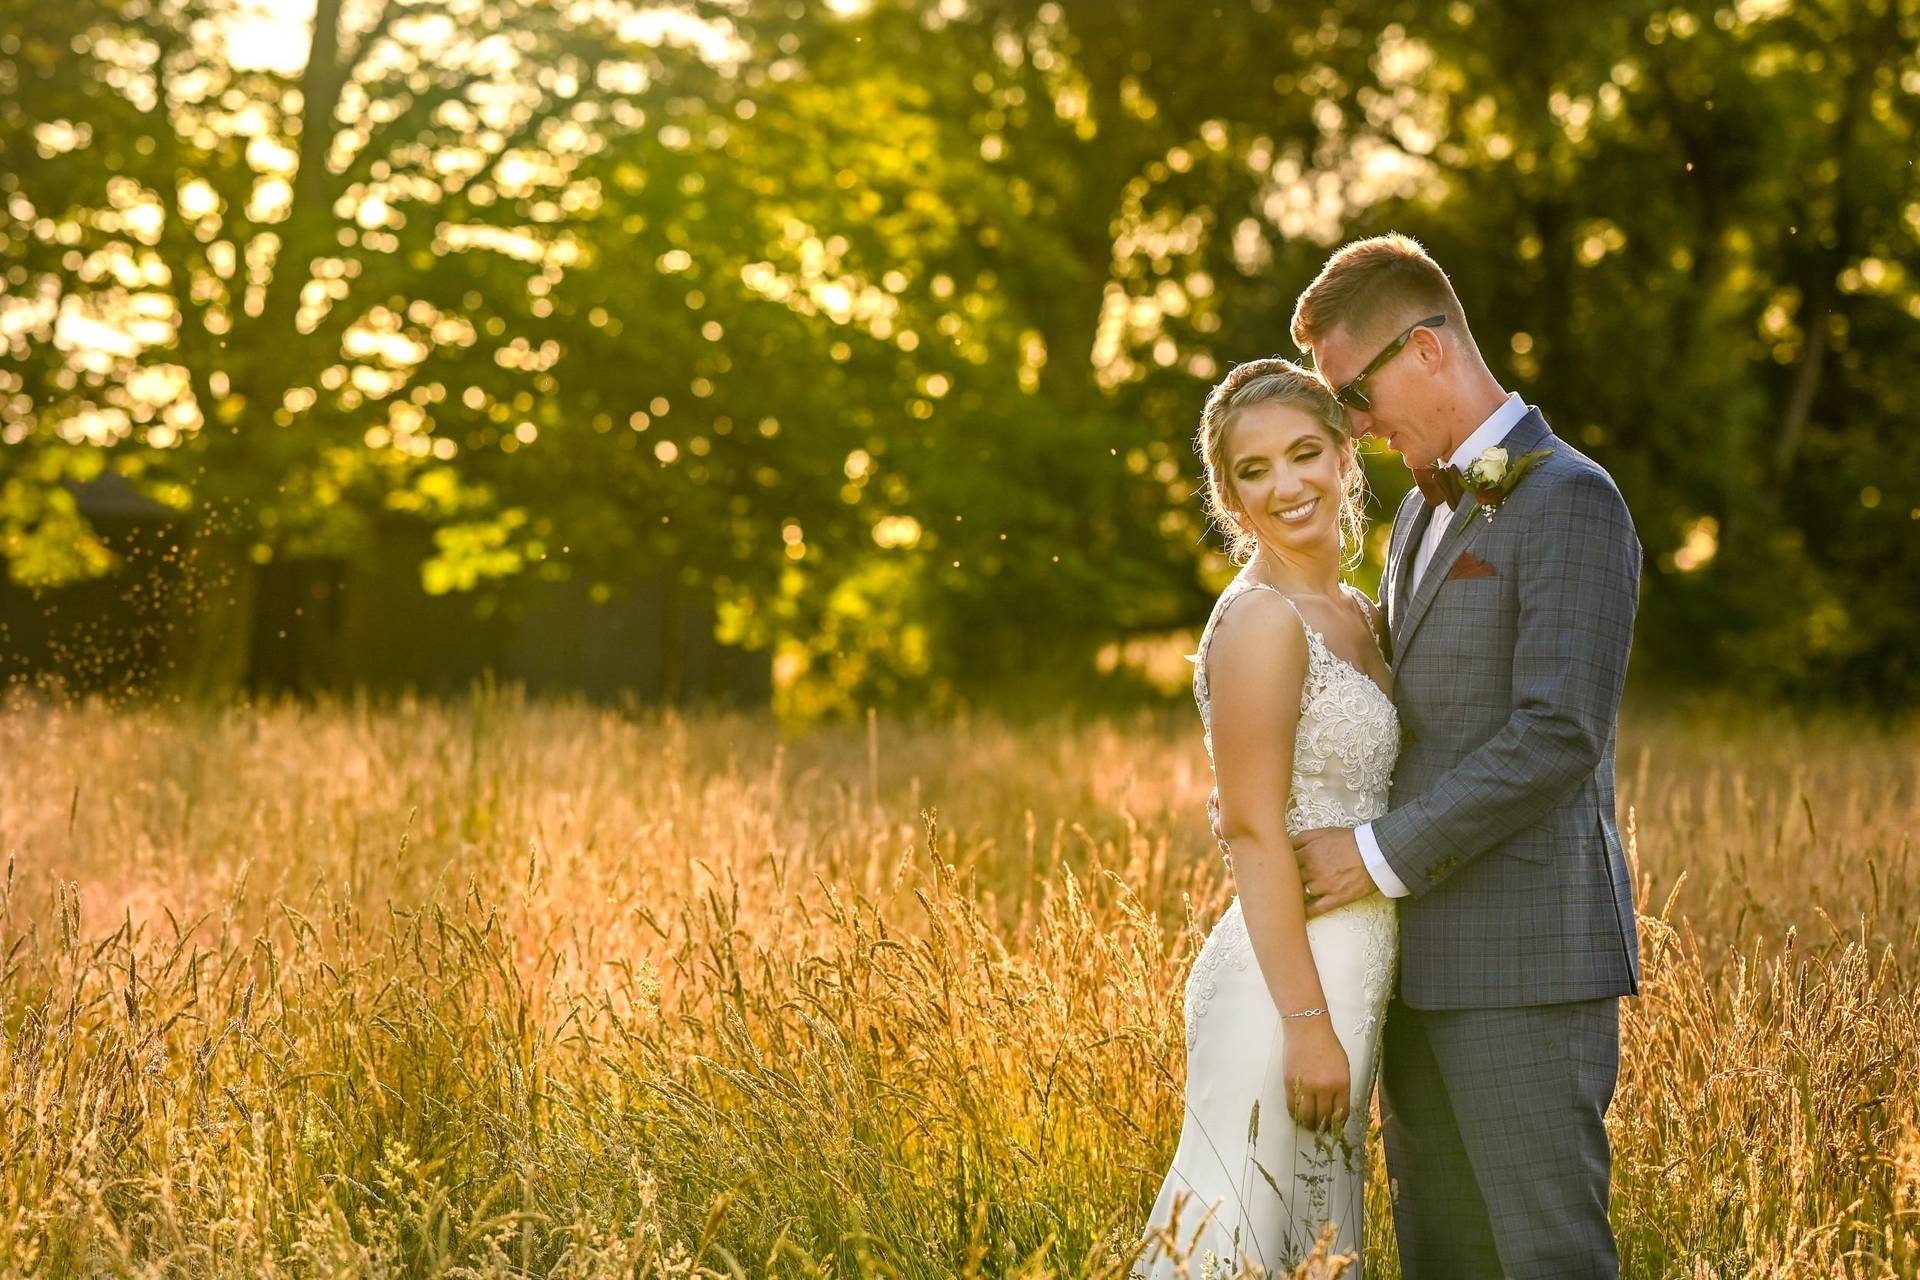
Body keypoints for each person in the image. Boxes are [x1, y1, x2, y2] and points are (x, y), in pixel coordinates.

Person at [1289, 233, 1641, 1279]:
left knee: (1546, 1258)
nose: (1353, 427)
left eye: (1355, 394)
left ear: (1429, 346)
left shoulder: (1573, 497)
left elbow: (1558, 730)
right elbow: (1406, 717)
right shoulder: (1417, 514)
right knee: (1443, 1258)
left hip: (1527, 964)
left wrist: (1376, 853)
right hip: (1416, 968)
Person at [1135, 358, 1399, 1277]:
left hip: (1355, 970)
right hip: (1284, 992)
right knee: (1233, 1240)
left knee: (1314, 1250)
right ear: (1230, 495)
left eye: (1304, 454)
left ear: (1344, 459)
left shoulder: (1358, 615)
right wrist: (1305, 1023)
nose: (1287, 486)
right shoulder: (1260, 623)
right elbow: (1250, 830)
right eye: (1255, 471)